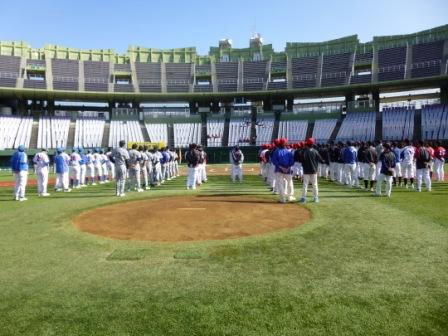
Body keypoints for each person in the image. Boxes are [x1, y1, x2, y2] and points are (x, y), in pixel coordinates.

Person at [298, 138, 323, 203]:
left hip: (306, 170)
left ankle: (303, 198)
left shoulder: (304, 151)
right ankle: (316, 198)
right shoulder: (315, 151)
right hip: (314, 170)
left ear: (307, 144)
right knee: (314, 184)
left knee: (305, 184)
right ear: (313, 144)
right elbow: (320, 160)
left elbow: (301, 159)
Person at [270, 138, 295, 203]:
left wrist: (281, 167)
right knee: (290, 183)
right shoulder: (288, 152)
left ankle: (282, 199)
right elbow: (292, 162)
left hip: (278, 170)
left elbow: (274, 161)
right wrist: (287, 168)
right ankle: (290, 197)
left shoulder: (276, 151)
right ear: (285, 144)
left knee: (280, 184)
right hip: (288, 170)